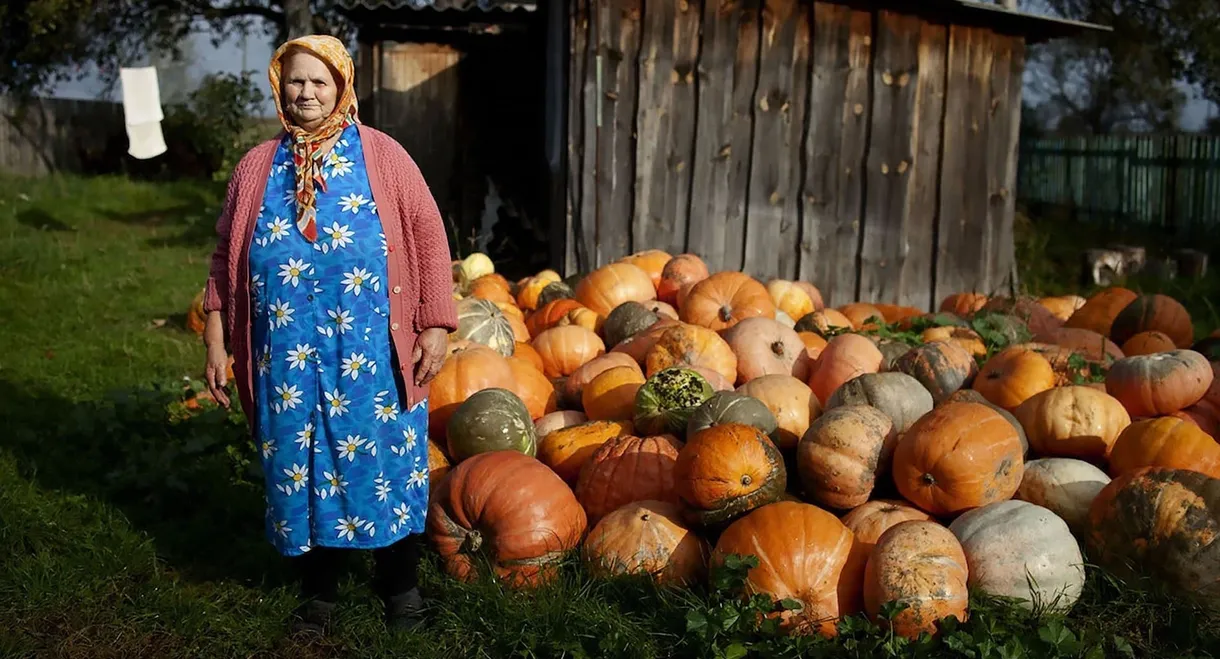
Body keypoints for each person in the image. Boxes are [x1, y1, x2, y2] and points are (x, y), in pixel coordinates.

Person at [200, 34, 457, 636]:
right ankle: (318, 597)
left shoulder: (384, 156)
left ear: (341, 85)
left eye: (319, 81)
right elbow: (223, 258)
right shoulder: (257, 165)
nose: (307, 92)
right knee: (299, 465)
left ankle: (401, 591)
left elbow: (427, 234)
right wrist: (216, 332)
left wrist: (436, 322)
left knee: (385, 466)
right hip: (284, 359)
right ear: (279, 87)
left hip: (371, 353)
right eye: (295, 81)